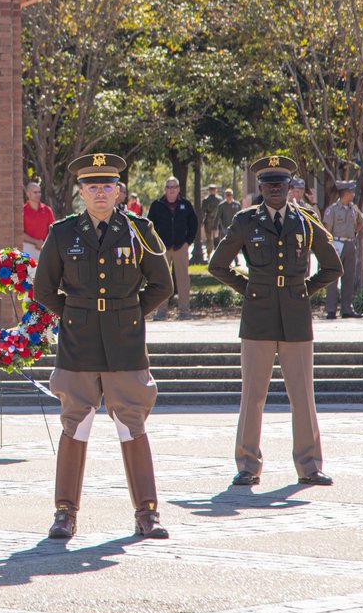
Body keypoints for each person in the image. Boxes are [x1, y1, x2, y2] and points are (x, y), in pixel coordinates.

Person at [34, 153, 174, 540]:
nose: (100, 192)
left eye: (107, 185)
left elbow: (162, 285)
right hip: (78, 343)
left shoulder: (140, 231)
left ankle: (147, 512)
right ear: (80, 192)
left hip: (124, 342)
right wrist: (75, 313)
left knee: (132, 425)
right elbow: (43, 289)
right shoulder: (62, 233)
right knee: (75, 425)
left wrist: (127, 313)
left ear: (119, 191)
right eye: (92, 186)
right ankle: (65, 513)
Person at [208, 155, 342, 488]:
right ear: (261, 188)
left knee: (303, 396)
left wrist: (304, 291)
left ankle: (310, 465)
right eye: (269, 186)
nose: (275, 191)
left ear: (290, 188)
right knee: (253, 395)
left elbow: (332, 266)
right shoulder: (245, 222)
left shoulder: (305, 221)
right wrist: (250, 289)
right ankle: (247, 465)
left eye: (281, 185)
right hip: (259, 316)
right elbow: (218, 265)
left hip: (296, 317)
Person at [147, 177, 198, 320]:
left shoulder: (186, 205)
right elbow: (149, 227)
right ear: (165, 189)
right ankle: (161, 312)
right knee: (163, 280)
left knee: (183, 280)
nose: (171, 190)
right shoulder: (157, 205)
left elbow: (194, 224)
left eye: (174, 187)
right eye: (169, 187)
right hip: (162, 248)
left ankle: (184, 311)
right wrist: (155, 244)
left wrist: (188, 242)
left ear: (179, 189)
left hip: (181, 247)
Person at [322, 181, 363, 319]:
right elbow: (327, 228)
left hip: (350, 244)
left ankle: (347, 308)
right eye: (351, 192)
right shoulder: (333, 209)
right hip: (336, 244)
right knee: (333, 278)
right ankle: (331, 309)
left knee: (349, 277)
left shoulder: (354, 208)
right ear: (345, 193)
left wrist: (354, 233)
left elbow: (361, 221)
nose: (353, 194)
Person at [22, 180, 55, 258]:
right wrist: (36, 242)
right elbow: (20, 233)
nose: (38, 194)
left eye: (39, 192)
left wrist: (44, 243)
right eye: (35, 192)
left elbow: (53, 230)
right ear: (28, 194)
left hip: (45, 247)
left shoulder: (47, 210)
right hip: (27, 247)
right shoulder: (22, 210)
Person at [200, 184, 223, 256]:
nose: (213, 191)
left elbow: (222, 210)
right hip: (209, 220)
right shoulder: (206, 200)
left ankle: (218, 253)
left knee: (218, 237)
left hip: (218, 221)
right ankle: (209, 253)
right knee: (209, 238)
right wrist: (202, 220)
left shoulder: (219, 199)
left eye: (214, 189)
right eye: (211, 189)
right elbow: (203, 211)